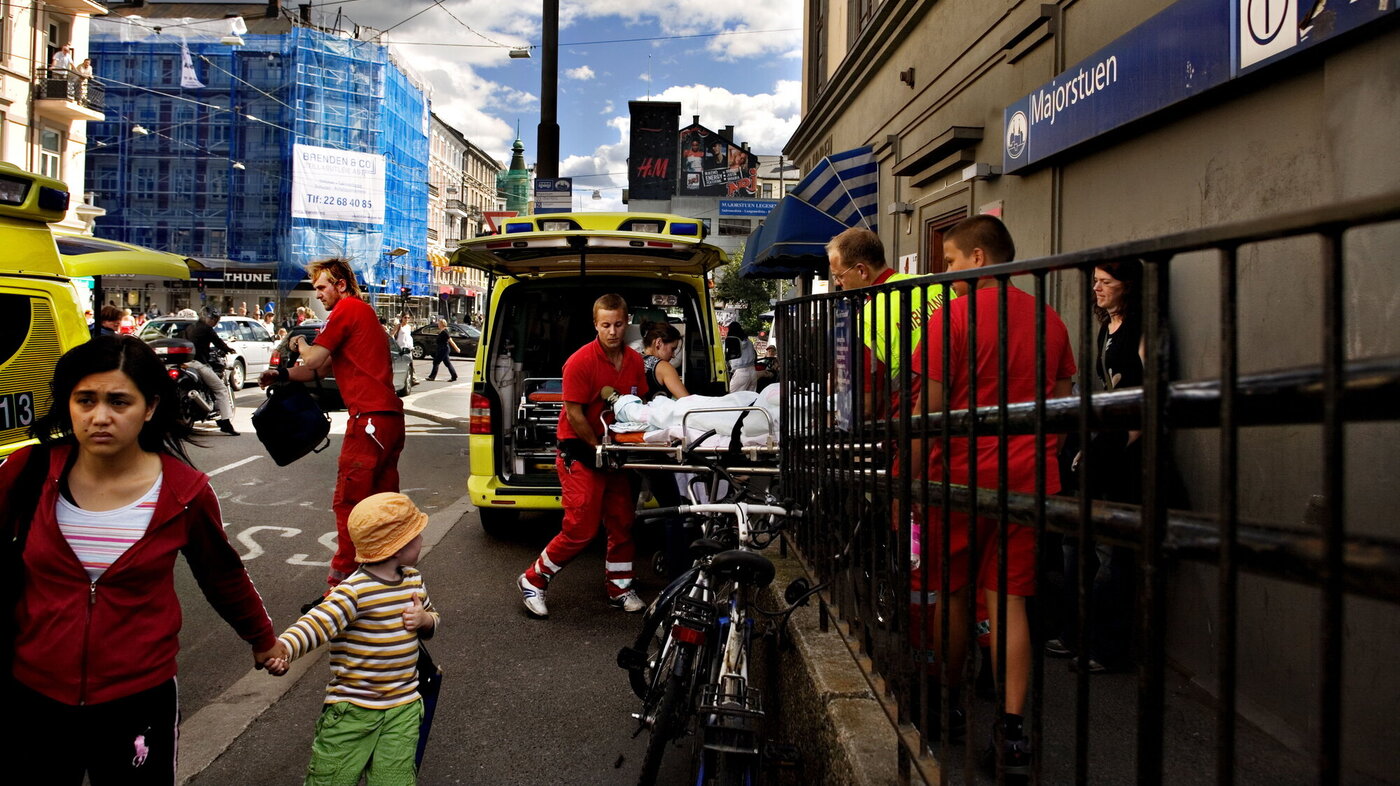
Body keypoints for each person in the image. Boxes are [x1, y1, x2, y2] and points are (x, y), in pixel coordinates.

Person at [1, 335, 281, 783]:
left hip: (138, 700)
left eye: (118, 401)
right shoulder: (26, 473)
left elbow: (222, 573)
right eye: (85, 400)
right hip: (34, 693)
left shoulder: (183, 491)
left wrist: (262, 638)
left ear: (149, 407)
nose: (99, 417)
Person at [908, 215, 1075, 776]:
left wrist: (908, 479)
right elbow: (1061, 399)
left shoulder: (948, 319)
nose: (946, 272)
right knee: (1010, 602)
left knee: (953, 594)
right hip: (1027, 482)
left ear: (978, 259)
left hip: (955, 479)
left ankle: (946, 703)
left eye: (951, 262)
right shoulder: (1050, 320)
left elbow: (927, 412)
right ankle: (1012, 733)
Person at [261, 492, 439, 785]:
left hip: (403, 707)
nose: (421, 539)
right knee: (332, 780)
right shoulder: (353, 592)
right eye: (416, 535)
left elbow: (432, 620)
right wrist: (283, 650)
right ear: (397, 546)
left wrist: (424, 620)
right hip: (352, 711)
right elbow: (315, 624)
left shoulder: (414, 581)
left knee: (394, 780)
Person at [259, 258, 405, 592]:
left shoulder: (347, 309)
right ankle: (386, 579)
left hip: (367, 420)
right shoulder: (360, 312)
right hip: (387, 420)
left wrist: (297, 343)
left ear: (340, 284)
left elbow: (311, 359)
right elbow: (319, 370)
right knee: (381, 502)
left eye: (322, 287)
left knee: (349, 503)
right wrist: (280, 374)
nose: (319, 295)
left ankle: (339, 590)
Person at [517, 293, 647, 618]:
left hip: (615, 450)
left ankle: (620, 587)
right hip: (581, 450)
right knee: (581, 528)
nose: (613, 331)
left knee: (622, 522)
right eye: (606, 325)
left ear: (626, 321)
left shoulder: (633, 361)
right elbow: (574, 413)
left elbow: (637, 406)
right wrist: (597, 447)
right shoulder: (580, 361)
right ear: (595, 325)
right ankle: (533, 580)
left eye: (618, 324)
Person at [1047, 260, 1145, 674]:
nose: (1097, 289)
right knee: (1074, 542)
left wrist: (1120, 442)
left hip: (1121, 452)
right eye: (1095, 282)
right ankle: (1074, 633)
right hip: (1096, 445)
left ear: (1129, 286)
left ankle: (1106, 647)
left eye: (1106, 282)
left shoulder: (1143, 329)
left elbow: (1144, 395)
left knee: (1110, 553)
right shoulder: (1108, 327)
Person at [827, 226, 950, 418]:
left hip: (906, 425)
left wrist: (836, 415)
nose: (837, 283)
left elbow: (866, 407)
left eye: (839, 275)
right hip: (960, 412)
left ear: (861, 270)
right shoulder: (934, 284)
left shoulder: (867, 320)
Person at [186, 307, 239, 435]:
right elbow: (218, 342)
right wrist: (229, 349)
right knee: (221, 389)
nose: (215, 322)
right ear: (209, 318)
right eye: (214, 319)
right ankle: (225, 423)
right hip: (198, 363)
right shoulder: (207, 329)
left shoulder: (190, 327)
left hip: (185, 362)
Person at [640, 321, 688, 401]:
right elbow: (687, 402)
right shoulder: (664, 367)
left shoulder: (633, 360)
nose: (673, 355)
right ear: (658, 343)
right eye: (672, 349)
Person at [725, 322, 757, 392]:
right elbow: (754, 355)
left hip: (741, 373)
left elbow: (725, 356)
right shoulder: (749, 341)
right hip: (753, 372)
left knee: (732, 398)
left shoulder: (732, 342)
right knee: (749, 399)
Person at [395, 314, 417, 384]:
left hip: (408, 348)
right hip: (401, 348)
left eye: (408, 318)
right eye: (405, 317)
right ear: (402, 318)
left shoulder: (409, 327)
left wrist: (411, 347)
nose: (407, 319)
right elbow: (392, 334)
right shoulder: (399, 326)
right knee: (401, 364)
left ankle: (413, 378)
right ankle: (403, 379)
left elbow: (409, 337)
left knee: (410, 363)